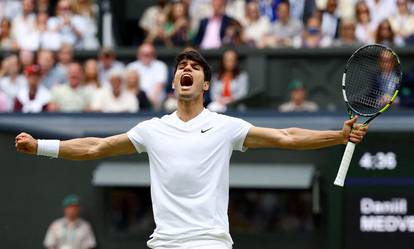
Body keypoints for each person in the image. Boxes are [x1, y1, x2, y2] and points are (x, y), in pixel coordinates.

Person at [16, 49, 368, 249]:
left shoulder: (225, 126)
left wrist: (336, 137)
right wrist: (42, 146)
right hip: (164, 243)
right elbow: (95, 147)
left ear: (205, 83)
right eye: (181, 66)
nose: (187, 69)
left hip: (210, 244)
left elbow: (287, 136)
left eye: (195, 67)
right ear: (173, 82)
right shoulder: (152, 129)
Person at [127, 43, 168, 110]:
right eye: (144, 54)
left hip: (154, 101)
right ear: (139, 55)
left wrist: (149, 102)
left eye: (149, 54)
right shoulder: (132, 66)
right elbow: (129, 87)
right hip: (135, 99)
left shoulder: (160, 66)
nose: (147, 56)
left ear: (154, 55)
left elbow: (159, 86)